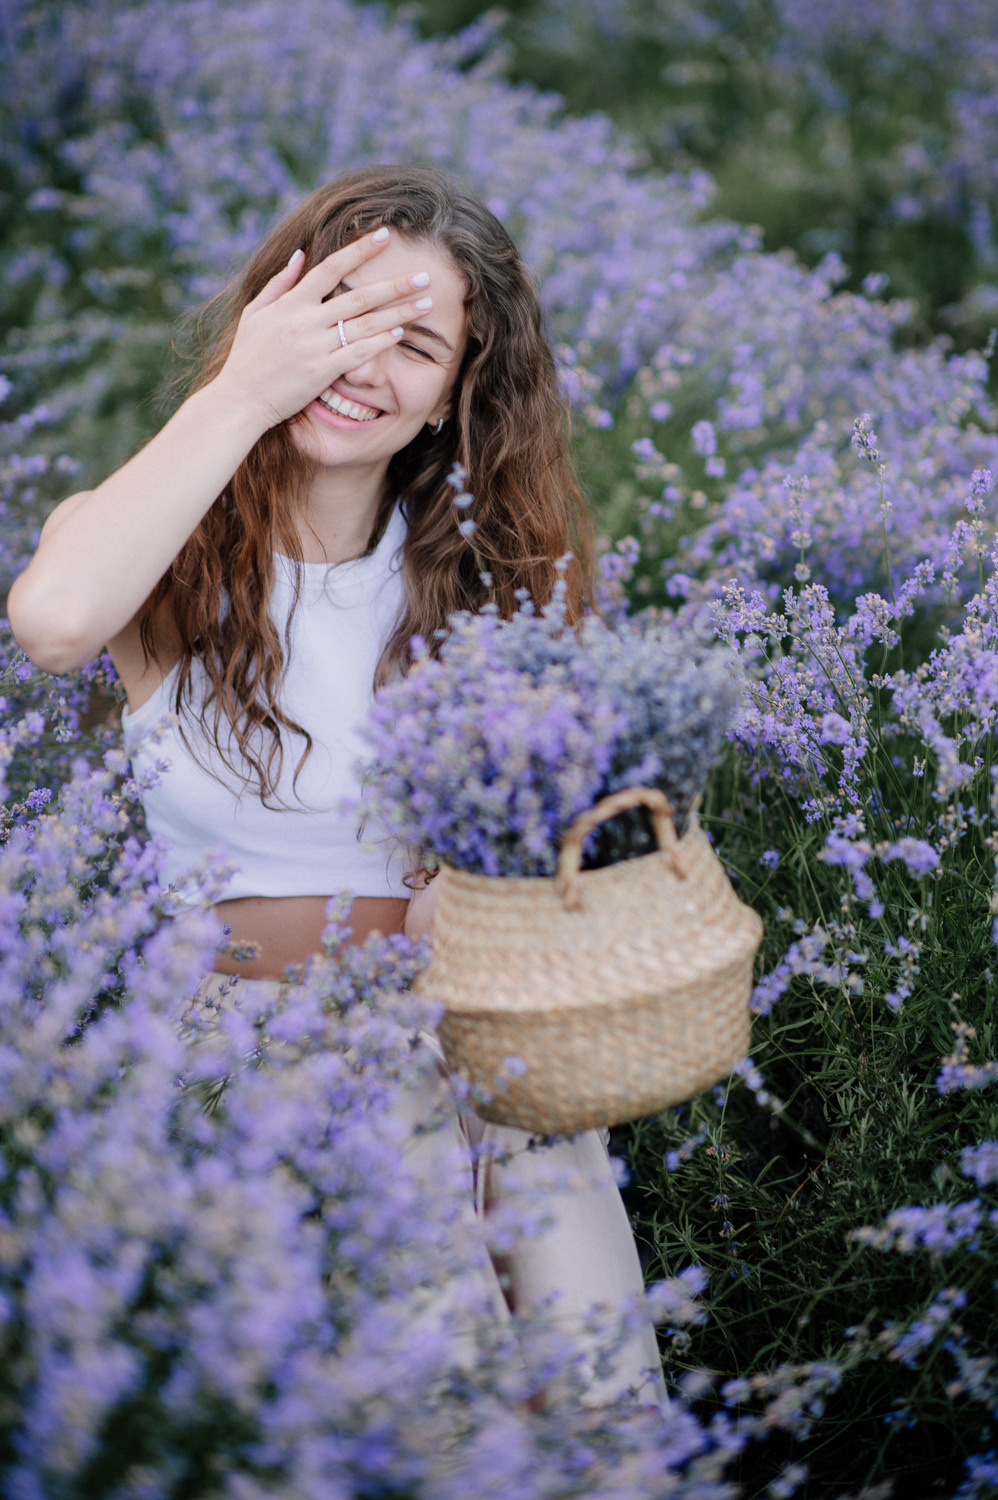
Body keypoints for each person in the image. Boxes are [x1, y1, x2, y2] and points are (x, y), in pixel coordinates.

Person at [8, 164, 666, 1409]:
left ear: (448, 400)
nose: (364, 364)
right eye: (339, 317)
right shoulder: (161, 551)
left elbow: (535, 843)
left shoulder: (489, 585)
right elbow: (51, 619)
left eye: (413, 343)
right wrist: (246, 390)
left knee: (605, 1410)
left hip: (480, 1042)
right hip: (264, 1043)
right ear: (276, 311)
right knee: (446, 1420)